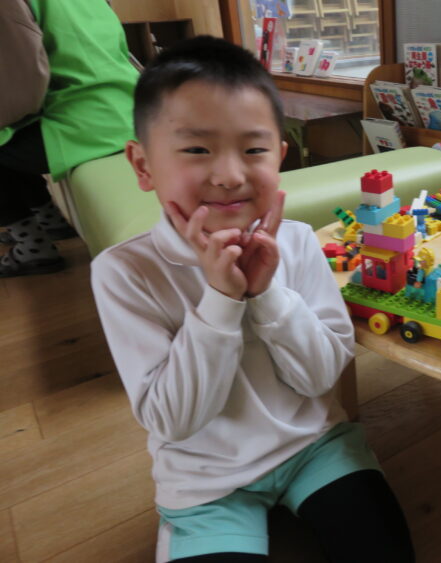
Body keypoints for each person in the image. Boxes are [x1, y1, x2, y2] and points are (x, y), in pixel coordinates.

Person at [91, 36, 414, 563]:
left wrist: (267, 293)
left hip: (315, 446)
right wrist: (221, 298)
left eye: (253, 149)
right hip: (206, 481)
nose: (230, 175)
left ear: (280, 156)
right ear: (143, 165)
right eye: (197, 149)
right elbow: (172, 419)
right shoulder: (124, 271)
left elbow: (321, 377)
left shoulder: (299, 241)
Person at [0, 0, 138, 277]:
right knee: (10, 134)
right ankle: (49, 219)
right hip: (129, 108)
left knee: (7, 134)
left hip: (82, 124)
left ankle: (32, 246)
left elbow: (22, 87)